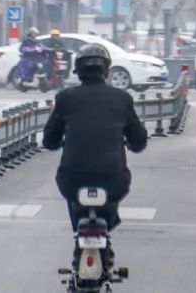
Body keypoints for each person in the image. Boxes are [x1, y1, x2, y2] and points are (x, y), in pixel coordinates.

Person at [42, 43, 148, 245]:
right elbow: (139, 141)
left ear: (78, 71)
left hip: (72, 179)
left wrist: (59, 141)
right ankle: (107, 226)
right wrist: (131, 144)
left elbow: (50, 140)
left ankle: (78, 230)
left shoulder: (65, 98)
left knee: (72, 198)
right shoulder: (122, 99)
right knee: (112, 198)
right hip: (113, 179)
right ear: (106, 71)